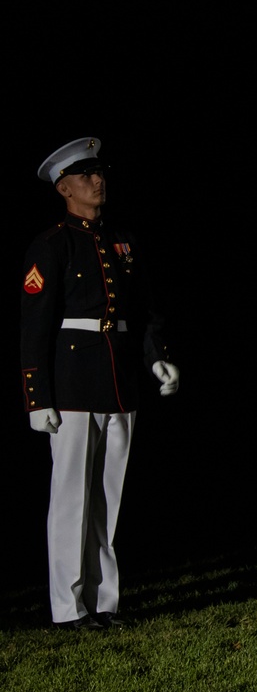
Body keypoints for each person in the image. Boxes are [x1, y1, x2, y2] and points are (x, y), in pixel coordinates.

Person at [20, 137, 180, 630]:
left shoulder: (122, 241)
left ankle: (104, 602)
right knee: (71, 498)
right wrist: (37, 396)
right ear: (65, 188)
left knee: (108, 496)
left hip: (119, 378)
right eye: (86, 176)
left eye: (100, 172)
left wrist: (158, 358)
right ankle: (69, 609)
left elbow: (144, 310)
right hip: (71, 384)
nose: (98, 180)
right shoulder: (51, 245)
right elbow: (35, 326)